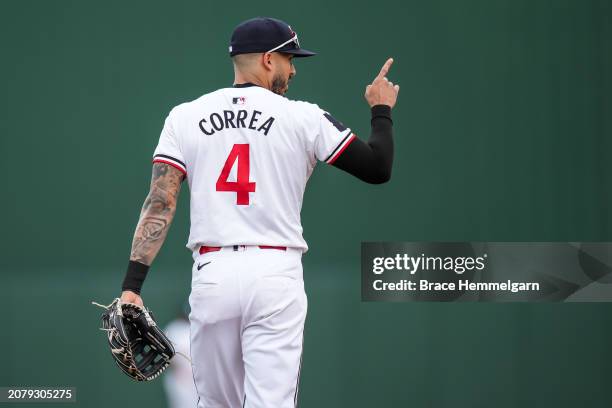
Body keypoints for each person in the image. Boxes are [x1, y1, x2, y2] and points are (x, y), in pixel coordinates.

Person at [118, 16, 399, 408]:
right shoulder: (303, 116)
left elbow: (160, 203)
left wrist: (133, 285)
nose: (293, 68)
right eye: (289, 58)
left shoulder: (184, 116)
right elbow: (377, 168)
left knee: (215, 404)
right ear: (268, 59)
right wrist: (381, 109)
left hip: (212, 275)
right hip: (274, 274)